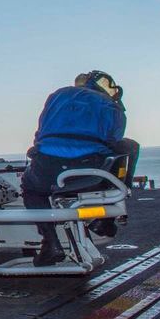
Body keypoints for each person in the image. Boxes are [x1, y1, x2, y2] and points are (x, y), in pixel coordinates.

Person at [22, 71, 131, 267]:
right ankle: (106, 219)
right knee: (129, 148)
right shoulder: (110, 105)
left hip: (49, 169)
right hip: (90, 170)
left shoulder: (57, 95)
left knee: (31, 188)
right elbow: (114, 139)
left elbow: (41, 131)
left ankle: (51, 242)